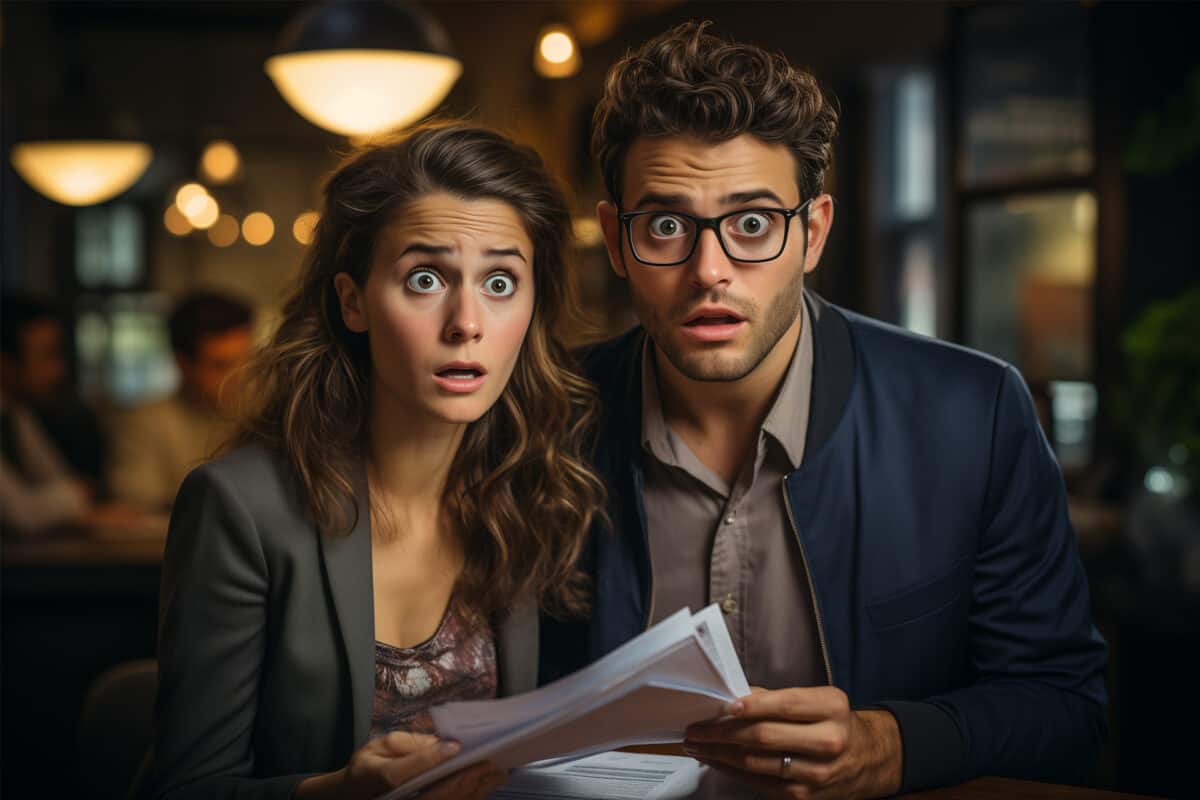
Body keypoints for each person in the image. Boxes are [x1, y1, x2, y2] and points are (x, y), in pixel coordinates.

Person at [540, 21, 1109, 798]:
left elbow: (1068, 705)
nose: (710, 271)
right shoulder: (545, 421)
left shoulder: (972, 417)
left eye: (751, 224)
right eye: (667, 225)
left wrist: (895, 742)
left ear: (812, 233)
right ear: (615, 240)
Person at [134, 122, 605, 800]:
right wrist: (338, 793)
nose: (467, 321)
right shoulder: (241, 507)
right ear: (353, 300)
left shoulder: (536, 493)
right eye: (424, 278)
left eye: (501, 281)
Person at [108, 290, 254, 512]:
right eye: (222, 366)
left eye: (247, 361)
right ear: (183, 365)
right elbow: (138, 505)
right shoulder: (148, 421)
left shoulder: (264, 414)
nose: (239, 377)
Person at [1, 296, 92, 533]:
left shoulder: (17, 414)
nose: (59, 370)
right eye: (48, 355)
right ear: (4, 363)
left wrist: (70, 496)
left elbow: (59, 480)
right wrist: (75, 498)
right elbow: (20, 514)